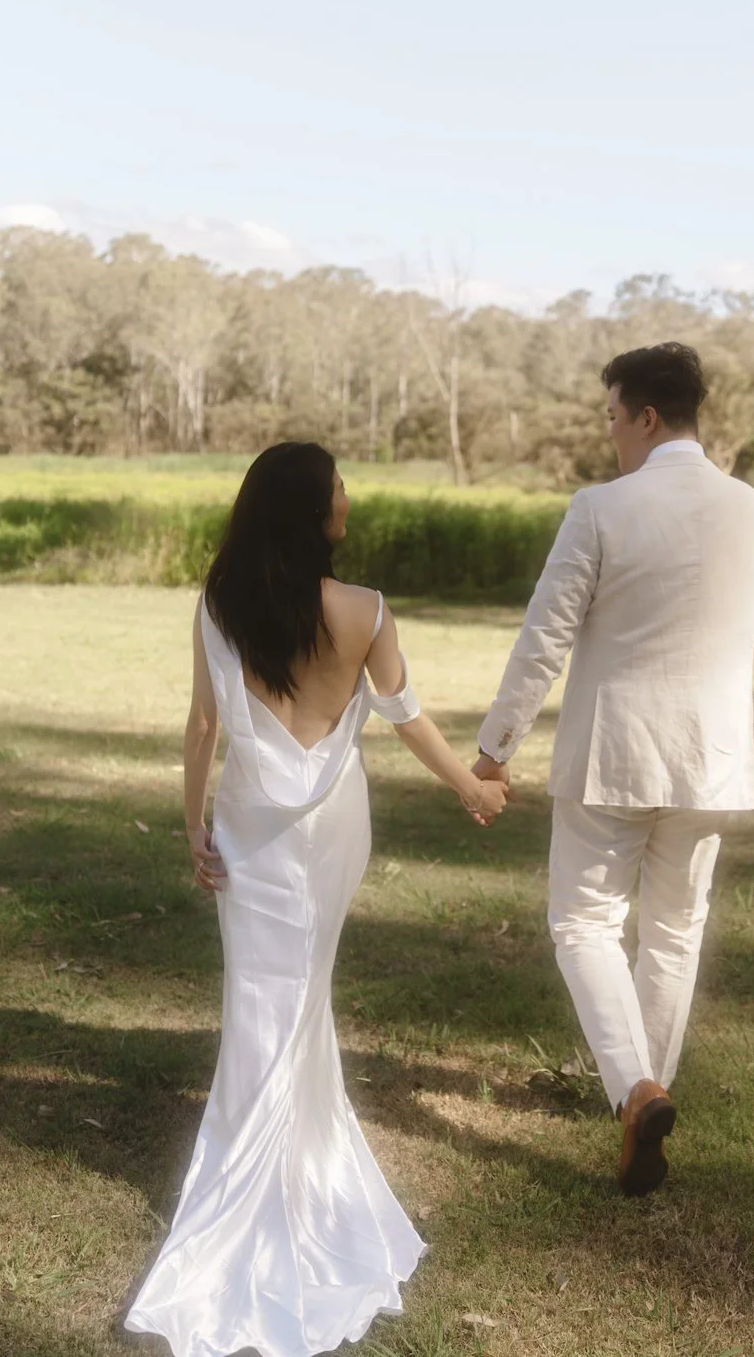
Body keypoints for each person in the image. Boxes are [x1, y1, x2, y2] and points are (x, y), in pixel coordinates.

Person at [125, 442, 507, 1357]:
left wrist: (193, 827)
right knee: (299, 996)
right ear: (312, 509)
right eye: (337, 485)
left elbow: (203, 727)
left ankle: (275, 1167)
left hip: (251, 826)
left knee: (269, 998)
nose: (349, 495)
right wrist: (473, 788)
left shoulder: (218, 604)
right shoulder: (366, 611)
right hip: (329, 826)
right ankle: (288, 1170)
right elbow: (404, 713)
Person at [473, 342, 754, 1197]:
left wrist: (494, 748)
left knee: (584, 924)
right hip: (713, 762)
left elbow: (543, 636)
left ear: (647, 417)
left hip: (612, 755)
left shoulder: (600, 509)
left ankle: (635, 1092)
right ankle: (642, 1096)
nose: (611, 433)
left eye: (613, 416)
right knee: (674, 930)